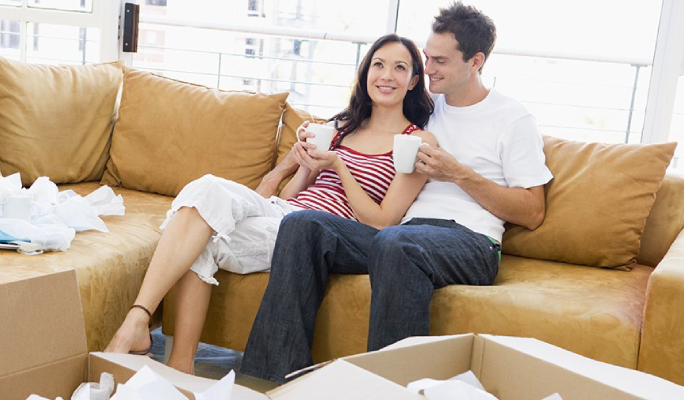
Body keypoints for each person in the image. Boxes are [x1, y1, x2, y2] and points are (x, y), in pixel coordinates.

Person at [239, 1, 554, 384]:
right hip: (398, 232)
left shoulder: (511, 118)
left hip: (470, 241)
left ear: (476, 62)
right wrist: (302, 156)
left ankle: (385, 389)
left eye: (439, 61)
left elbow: (533, 211)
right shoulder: (422, 106)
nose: (428, 69)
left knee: (397, 243)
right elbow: (355, 120)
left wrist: (457, 174)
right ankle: (273, 379)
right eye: (425, 58)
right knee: (304, 225)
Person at [104, 33, 437, 374]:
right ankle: (174, 360)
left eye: (399, 68)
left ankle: (143, 329)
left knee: (201, 230)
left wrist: (338, 165)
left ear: (413, 80)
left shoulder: (416, 141)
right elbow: (286, 198)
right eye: (378, 65)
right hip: (285, 214)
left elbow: (382, 223)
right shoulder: (339, 128)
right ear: (366, 72)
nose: (386, 76)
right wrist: (296, 164)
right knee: (202, 199)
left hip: (320, 236)